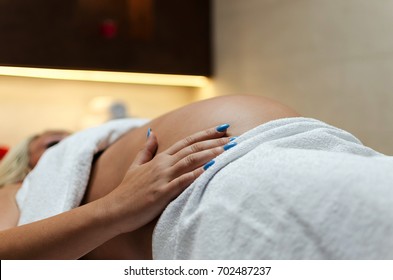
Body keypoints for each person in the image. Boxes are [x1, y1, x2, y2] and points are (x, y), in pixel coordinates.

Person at [0, 94, 300, 259]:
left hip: (292, 145)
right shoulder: (17, 189)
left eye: (73, 138)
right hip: (236, 190)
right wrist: (116, 207)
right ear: (25, 164)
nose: (68, 144)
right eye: (53, 145)